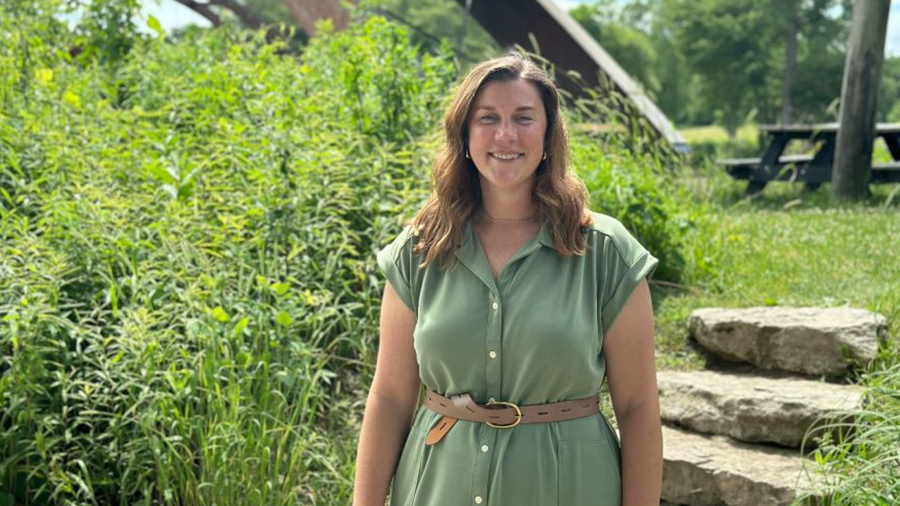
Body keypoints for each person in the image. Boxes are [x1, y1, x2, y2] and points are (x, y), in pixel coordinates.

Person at [352, 52, 663, 506]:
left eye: (523, 118)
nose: (505, 135)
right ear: (464, 133)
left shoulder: (605, 251)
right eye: (488, 118)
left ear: (548, 133)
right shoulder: (420, 250)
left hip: (571, 488)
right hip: (440, 485)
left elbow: (637, 408)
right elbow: (390, 400)